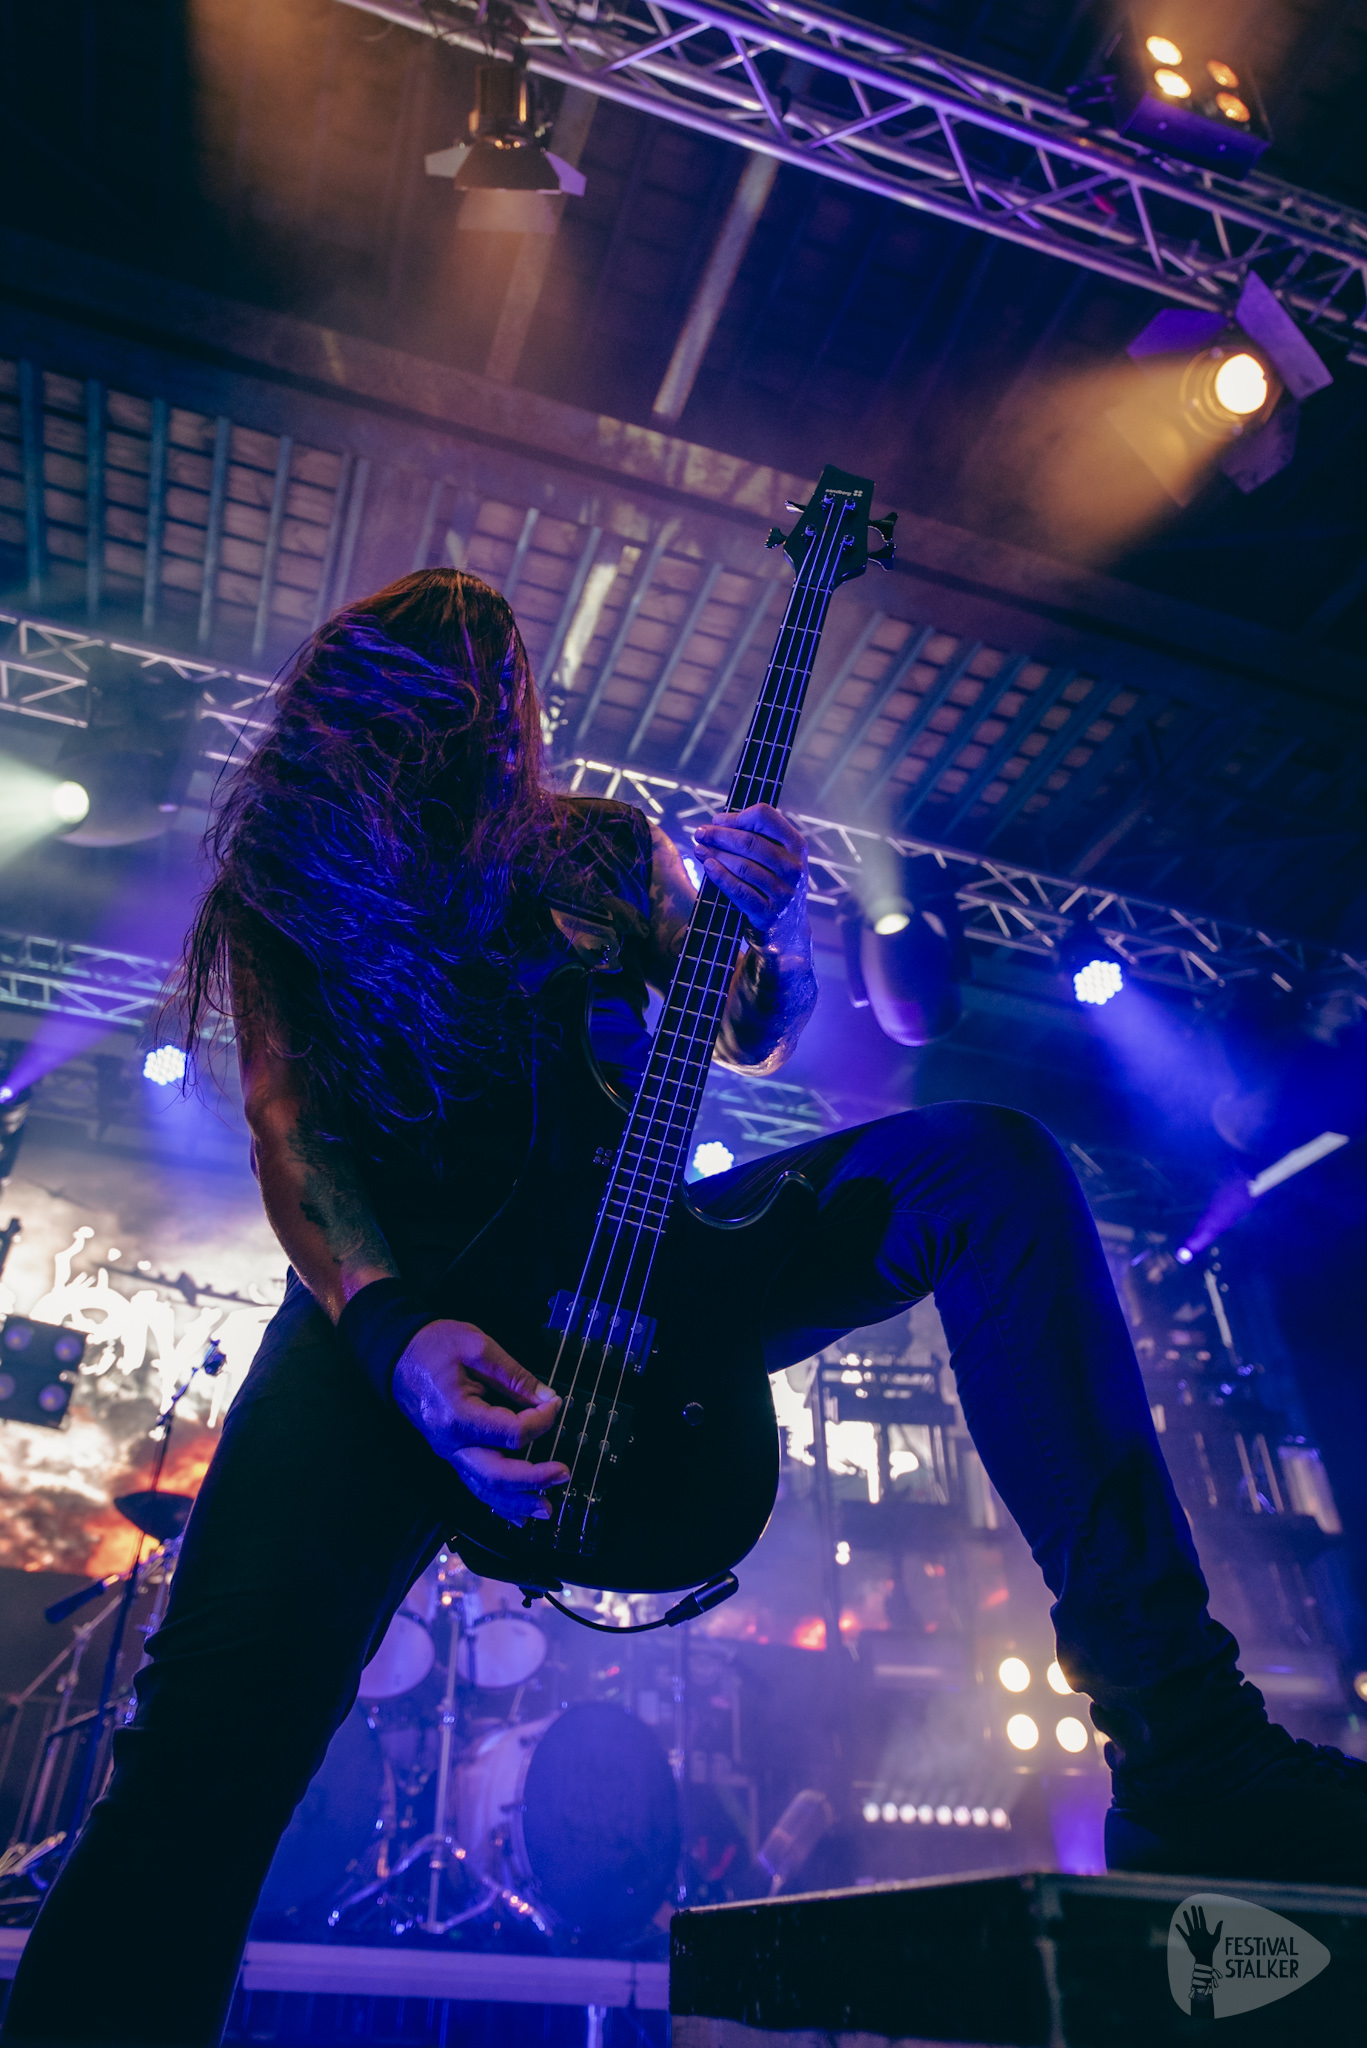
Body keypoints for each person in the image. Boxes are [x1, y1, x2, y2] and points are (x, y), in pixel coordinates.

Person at [5, 569, 1362, 2047]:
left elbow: (752, 1021)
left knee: (988, 1170)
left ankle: (1187, 1743)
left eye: (495, 700)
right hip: (394, 1317)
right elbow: (293, 1129)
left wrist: (764, 931)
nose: (488, 726)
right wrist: (393, 1338)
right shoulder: (291, 872)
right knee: (195, 1764)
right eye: (445, 704)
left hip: (635, 1267)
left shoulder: (592, 847)